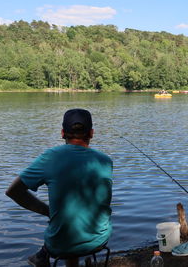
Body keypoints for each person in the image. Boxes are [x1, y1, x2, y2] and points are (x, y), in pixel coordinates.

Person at [6, 109, 113, 267]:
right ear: (91, 133)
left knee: (64, 230)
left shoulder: (51, 157)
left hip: (61, 244)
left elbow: (13, 191)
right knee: (75, 220)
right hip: (100, 239)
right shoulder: (105, 161)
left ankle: (42, 256)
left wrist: (46, 211)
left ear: (63, 132)